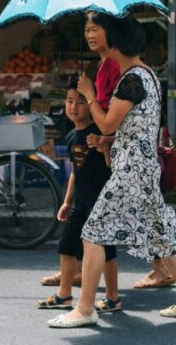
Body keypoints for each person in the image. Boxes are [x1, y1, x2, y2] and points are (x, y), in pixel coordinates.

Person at [47, 15, 176, 328]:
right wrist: (109, 142)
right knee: (161, 234)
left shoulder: (132, 79)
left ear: (115, 42)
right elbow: (132, 128)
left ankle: (85, 308)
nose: (95, 36)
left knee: (92, 233)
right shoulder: (145, 75)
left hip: (131, 171)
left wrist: (90, 95)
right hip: (142, 168)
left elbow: (107, 122)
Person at [39, 11, 173, 290]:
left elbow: (113, 117)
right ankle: (87, 279)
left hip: (117, 150)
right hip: (112, 146)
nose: (89, 35)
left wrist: (94, 111)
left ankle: (83, 294)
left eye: (95, 29)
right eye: (86, 29)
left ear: (112, 35)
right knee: (136, 214)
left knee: (96, 223)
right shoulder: (104, 66)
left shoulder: (122, 70)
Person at [37, 79, 121, 313]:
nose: (74, 107)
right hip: (80, 201)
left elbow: (112, 166)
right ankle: (64, 295)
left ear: (92, 106)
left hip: (101, 201)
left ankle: (113, 297)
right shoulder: (72, 136)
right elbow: (75, 170)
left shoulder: (101, 133)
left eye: (81, 102)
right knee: (66, 245)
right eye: (69, 101)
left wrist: (104, 147)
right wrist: (67, 201)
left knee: (107, 250)